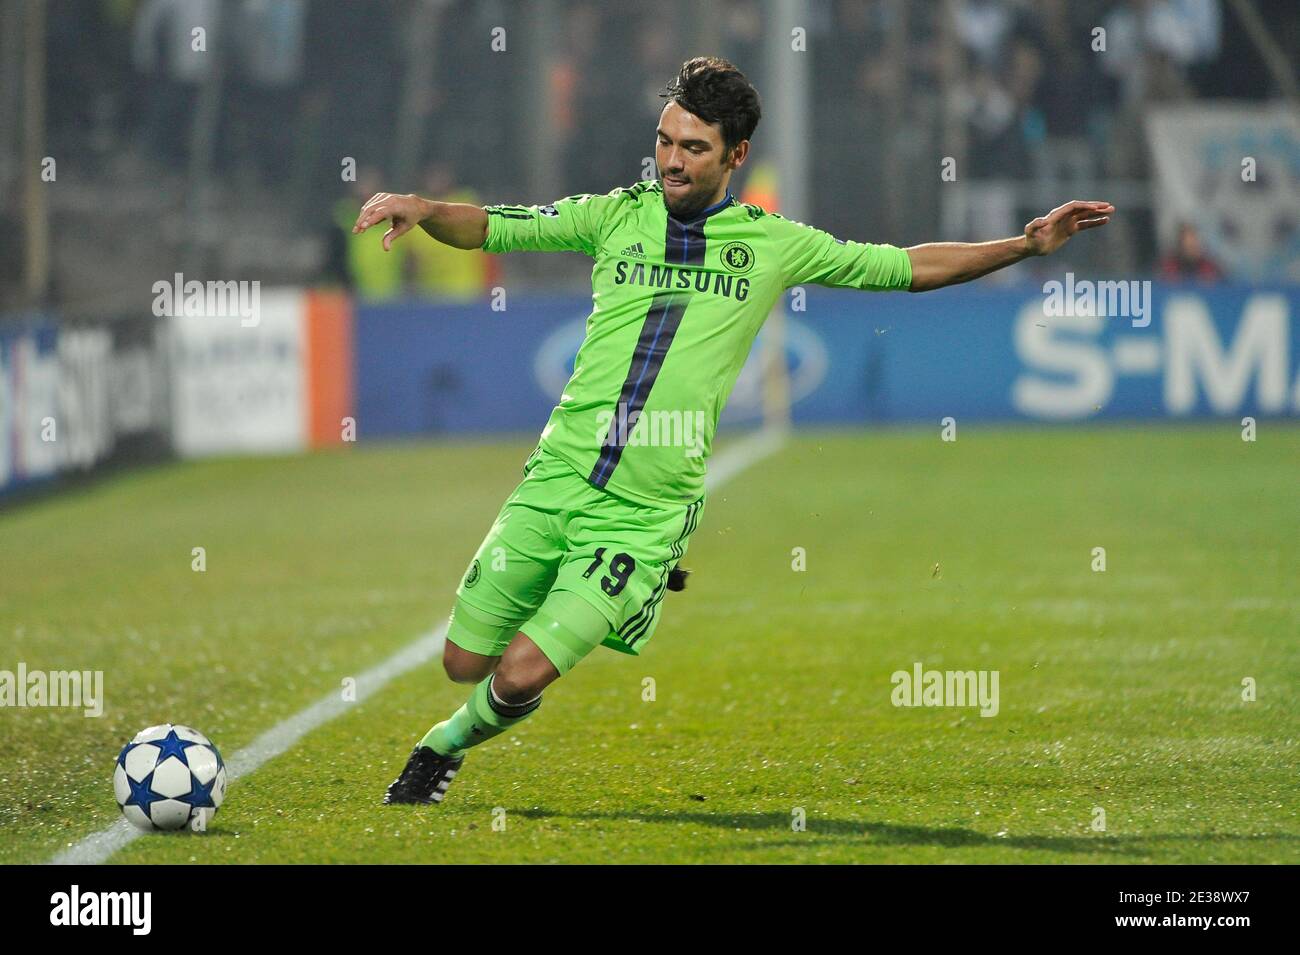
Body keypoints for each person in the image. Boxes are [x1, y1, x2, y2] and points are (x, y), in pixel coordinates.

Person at [352, 56, 1113, 804]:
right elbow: (492, 226)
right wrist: (422, 208)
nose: (671, 162)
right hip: (555, 479)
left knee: (518, 673)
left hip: (644, 513)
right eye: (664, 141)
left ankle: (443, 743)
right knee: (463, 658)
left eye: (693, 148)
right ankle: (550, 638)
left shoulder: (772, 242)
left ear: (735, 155)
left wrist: (1022, 245)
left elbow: (903, 267)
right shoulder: (615, 214)